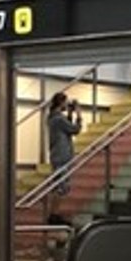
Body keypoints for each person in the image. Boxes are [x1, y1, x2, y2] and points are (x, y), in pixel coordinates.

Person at [46, 92, 82, 226]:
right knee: (61, 187)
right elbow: (75, 130)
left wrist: (70, 114)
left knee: (58, 185)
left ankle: (54, 213)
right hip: (62, 155)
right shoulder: (59, 119)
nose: (67, 106)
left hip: (56, 154)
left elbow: (66, 127)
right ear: (61, 103)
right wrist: (78, 115)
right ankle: (54, 214)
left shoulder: (53, 117)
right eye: (65, 103)